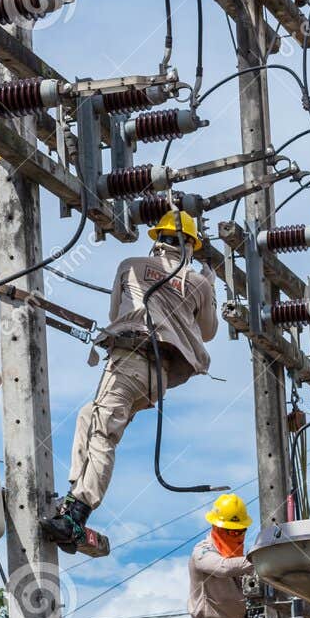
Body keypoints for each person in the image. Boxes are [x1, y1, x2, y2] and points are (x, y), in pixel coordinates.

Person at [41, 209, 219, 556]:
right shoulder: (198, 282)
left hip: (129, 359)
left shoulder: (130, 265)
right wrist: (207, 288)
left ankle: (77, 512)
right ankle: (74, 499)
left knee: (103, 432)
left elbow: (114, 316)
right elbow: (208, 332)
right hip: (159, 376)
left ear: (159, 240)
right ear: (189, 247)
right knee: (88, 416)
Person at [187, 493, 277, 618]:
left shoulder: (233, 555)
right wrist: (262, 559)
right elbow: (223, 568)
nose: (239, 536)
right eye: (233, 532)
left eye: (241, 531)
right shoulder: (202, 552)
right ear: (218, 528)